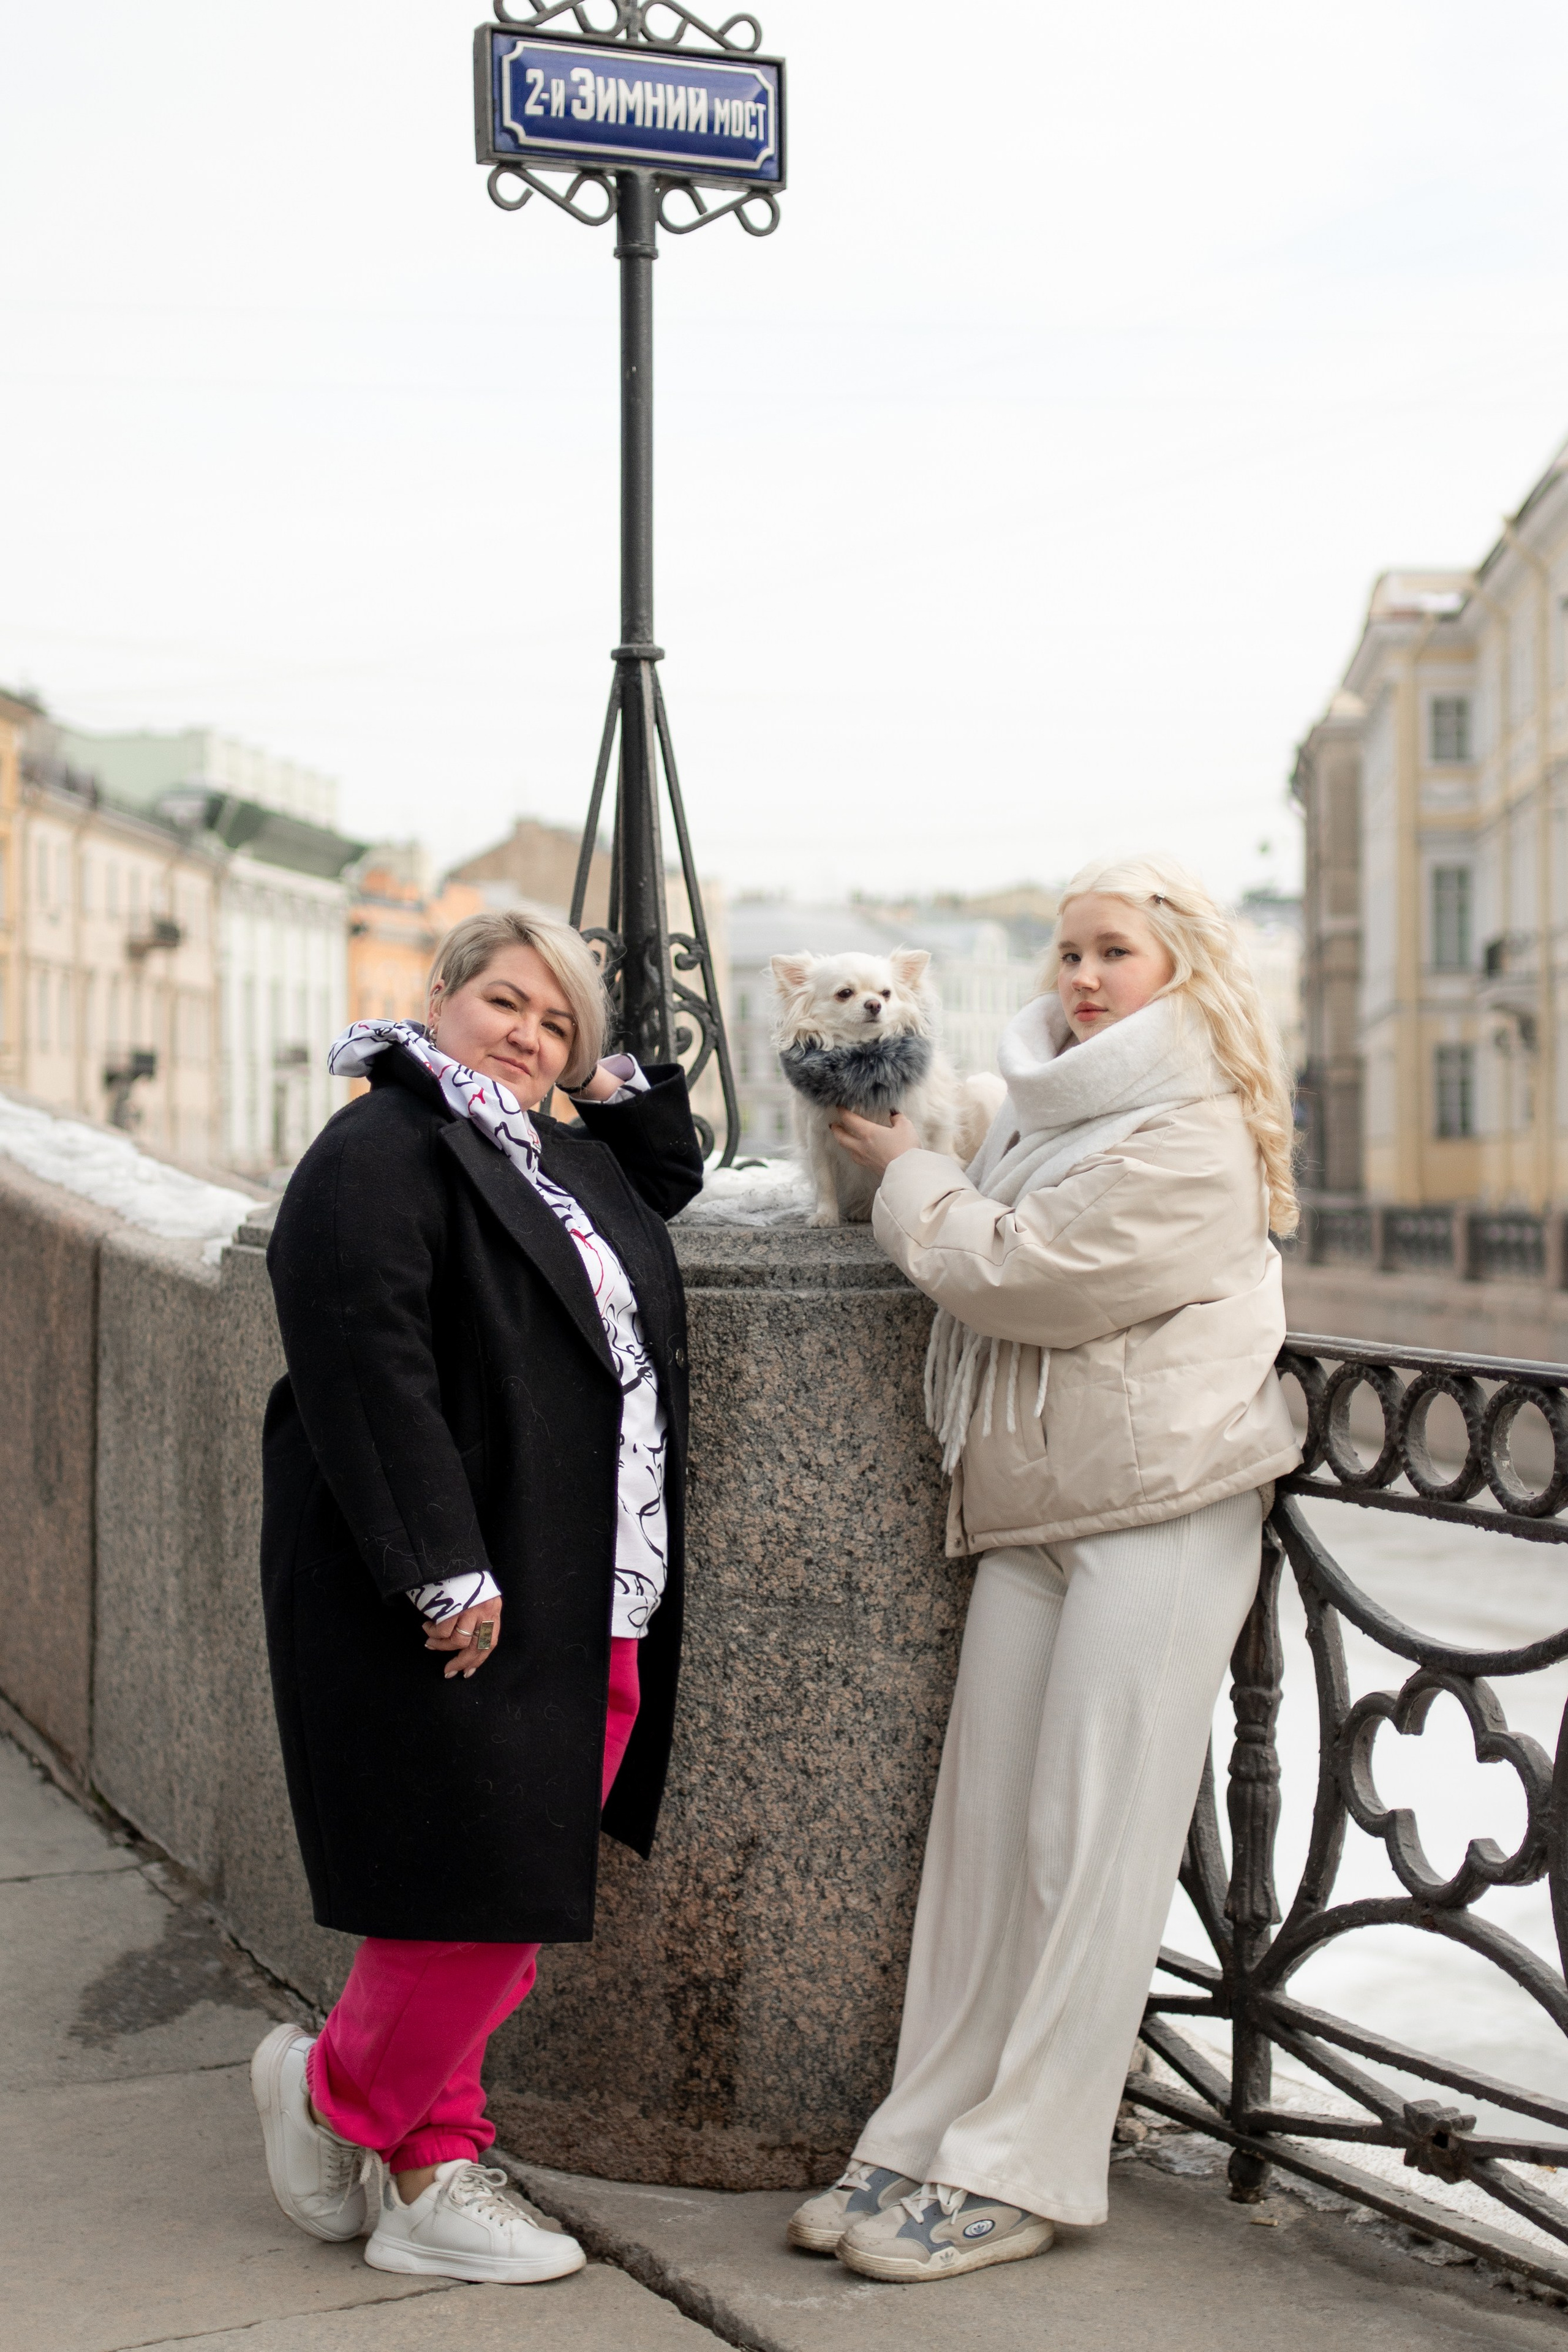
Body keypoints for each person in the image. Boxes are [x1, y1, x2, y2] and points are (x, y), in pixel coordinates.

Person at [788, 855, 1301, 2283]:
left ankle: (1023, 2169)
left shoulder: (1191, 1131)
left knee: (1088, 1846)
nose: (1078, 977)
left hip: (1159, 1496)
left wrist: (913, 1174)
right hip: (1027, 1496)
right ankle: (922, 2133)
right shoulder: (1048, 1105)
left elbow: (1019, 1272)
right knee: (982, 1846)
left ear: (1179, 973)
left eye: (1111, 954)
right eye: (1065, 950)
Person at [249, 909, 703, 2286]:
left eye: (555, 1023)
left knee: (503, 1871)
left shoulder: (539, 1150)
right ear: (435, 998)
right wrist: (440, 1568)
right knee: (484, 1880)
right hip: (464, 1573)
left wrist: (617, 1088)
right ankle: (363, 2110)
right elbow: (359, 1359)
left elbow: (659, 1189)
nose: (526, 1034)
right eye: (502, 1002)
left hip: (588, 1574)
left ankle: (426, 2148)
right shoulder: (380, 1148)